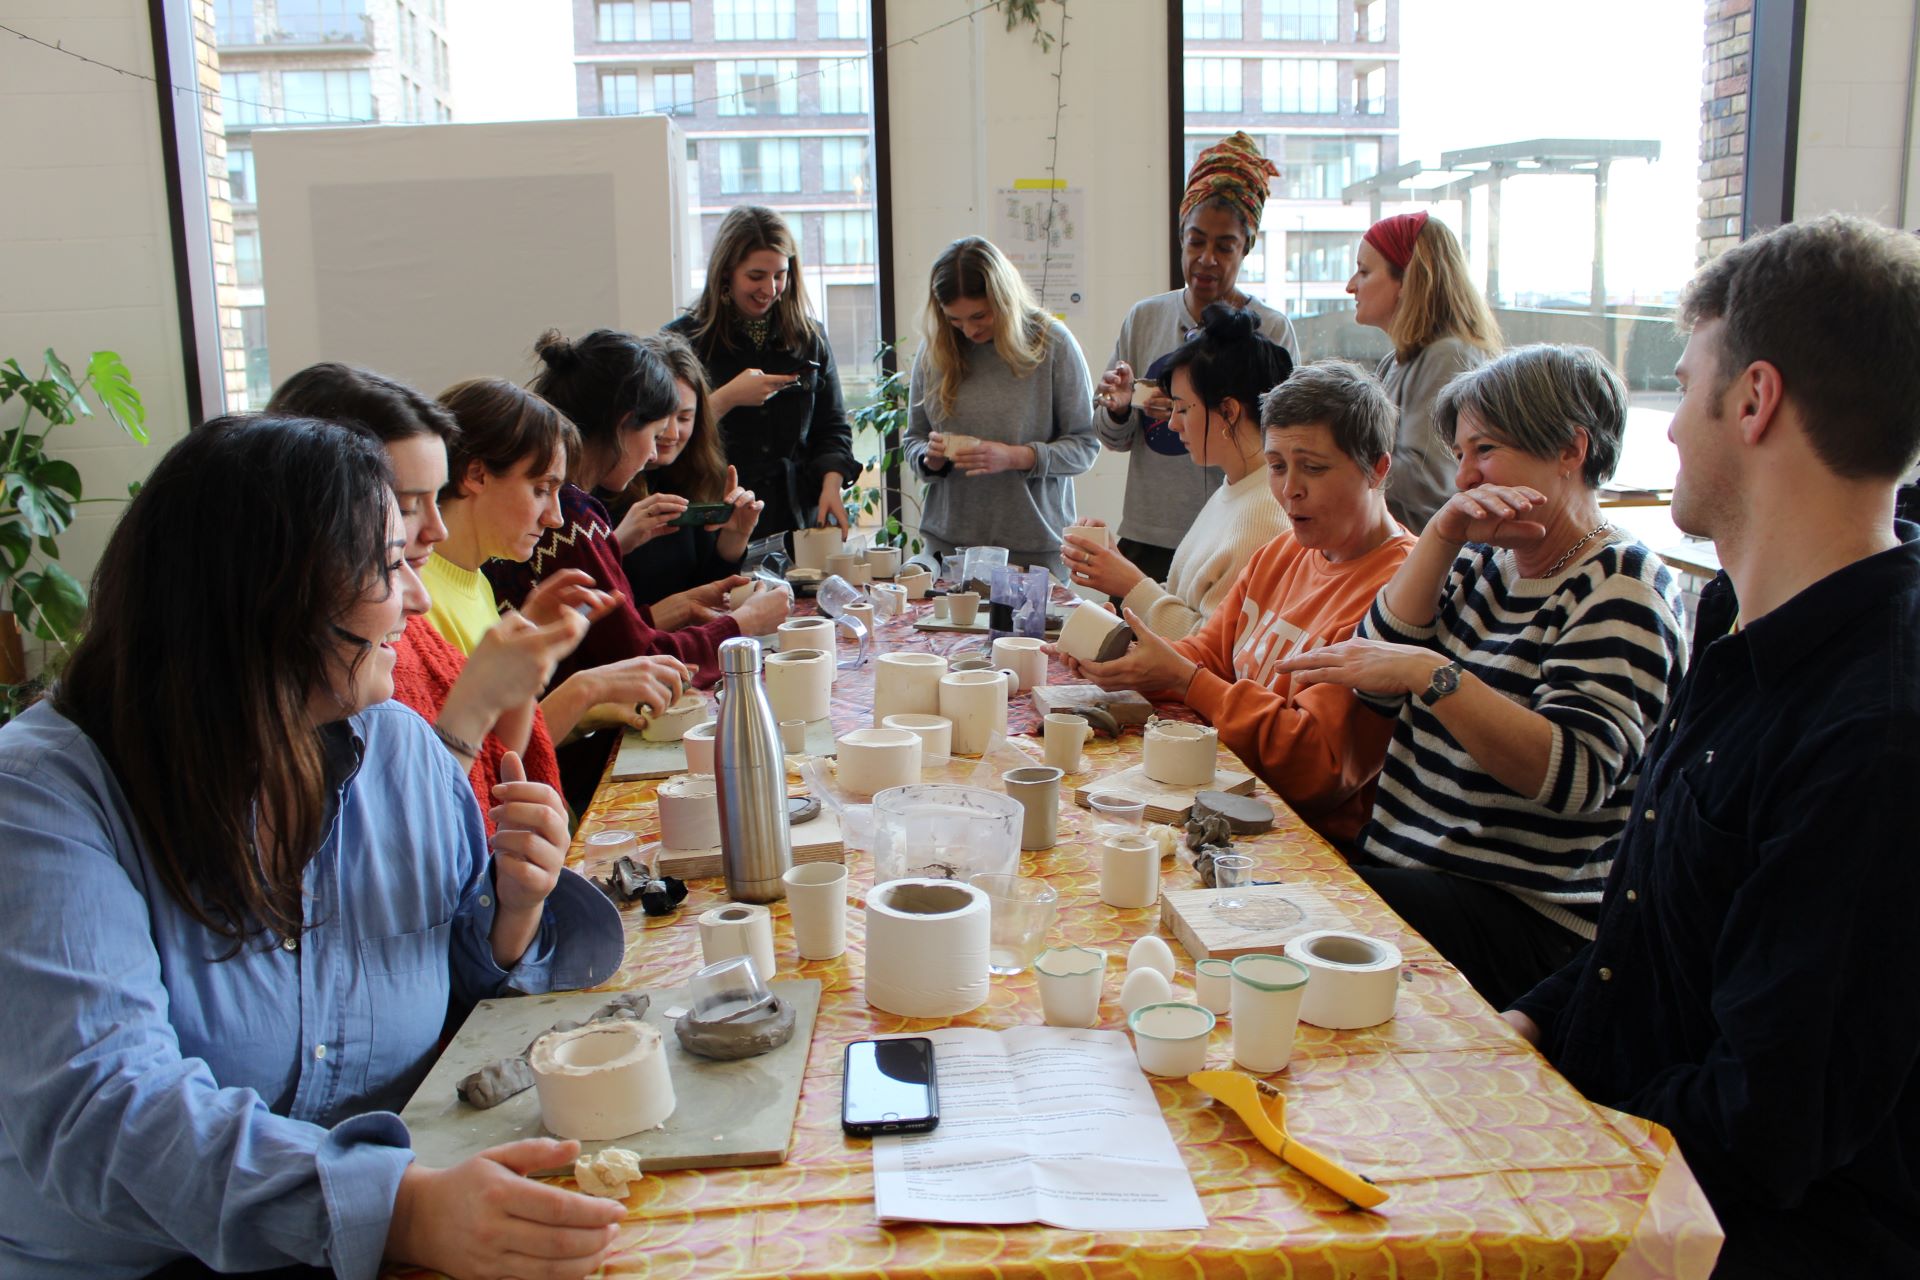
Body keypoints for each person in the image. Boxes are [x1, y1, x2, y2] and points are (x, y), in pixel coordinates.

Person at [0, 416, 628, 1279]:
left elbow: (466, 1001)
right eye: (390, 565)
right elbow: (105, 1109)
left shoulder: (401, 752)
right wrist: (394, 1208)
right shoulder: (41, 798)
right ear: (271, 597)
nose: (416, 598)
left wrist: (513, 913)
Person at [1501, 216, 1920, 1274]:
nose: (1674, 429)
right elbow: (1653, 940)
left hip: (1719, 1234)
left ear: (1754, 399)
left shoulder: (1876, 729)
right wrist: (1523, 1026)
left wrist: (1535, 1120)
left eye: (1685, 389)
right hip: (1629, 1159)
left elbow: (1761, 1123)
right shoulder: (1740, 623)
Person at [1278, 344, 1686, 1009]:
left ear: (1570, 450)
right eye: (1460, 455)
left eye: (1485, 450)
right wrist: (1439, 536)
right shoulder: (1481, 560)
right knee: (1248, 892)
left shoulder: (1622, 588)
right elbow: (1372, 684)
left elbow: (1573, 777)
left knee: (1275, 928)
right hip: (1410, 871)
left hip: (1519, 913)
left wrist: (1434, 675)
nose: (1464, 476)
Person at [269, 365, 688, 830]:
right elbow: (440, 807)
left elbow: (481, 766)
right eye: (407, 505)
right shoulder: (407, 617)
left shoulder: (475, 583)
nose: (436, 528)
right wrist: (580, 690)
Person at [1058, 360, 1415, 848]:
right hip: (1235, 793)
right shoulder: (1288, 549)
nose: (1290, 489)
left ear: (1377, 469)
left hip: (1309, 838)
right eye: (1275, 466)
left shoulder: (1398, 593)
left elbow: (1317, 767)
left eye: (1313, 467)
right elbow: (1208, 652)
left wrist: (1186, 681)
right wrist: (1121, 655)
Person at [487, 328, 788, 693]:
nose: (652, 454)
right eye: (657, 431)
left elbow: (605, 643)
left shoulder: (572, 508)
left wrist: (681, 605)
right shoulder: (572, 517)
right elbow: (638, 660)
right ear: (624, 425)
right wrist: (742, 625)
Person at [1094, 131, 1301, 586]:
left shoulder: (1272, 330)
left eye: (1224, 246)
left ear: (1246, 247)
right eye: (1195, 242)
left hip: (1239, 533)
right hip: (1150, 532)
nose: (1206, 259)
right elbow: (1113, 437)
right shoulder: (1145, 318)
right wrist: (1120, 407)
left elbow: (1285, 437)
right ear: (1181, 238)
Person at [1065, 303, 1292, 639]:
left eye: (1183, 409)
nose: (1172, 424)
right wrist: (1116, 565)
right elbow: (1184, 600)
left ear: (1228, 410)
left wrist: (1130, 583)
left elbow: (1208, 647)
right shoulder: (1235, 487)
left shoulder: (1264, 515)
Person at [902, 235, 1097, 581]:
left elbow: (1085, 446)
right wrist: (929, 459)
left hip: (1034, 548)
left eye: (979, 316)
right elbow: (914, 437)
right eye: (955, 320)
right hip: (949, 547)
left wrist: (1015, 457)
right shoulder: (936, 349)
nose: (969, 329)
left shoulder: (1052, 343)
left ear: (1003, 300)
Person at [665, 205, 858, 542]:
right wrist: (726, 399)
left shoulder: (810, 339)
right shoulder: (681, 342)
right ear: (726, 272)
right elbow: (660, 440)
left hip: (795, 519)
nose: (769, 289)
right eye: (755, 276)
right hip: (714, 522)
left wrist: (832, 484)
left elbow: (832, 427)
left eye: (779, 275)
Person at [1347, 210, 1502, 531]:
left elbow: (1430, 480)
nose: (1351, 286)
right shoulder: (1400, 359)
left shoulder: (1447, 357)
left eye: (1363, 272)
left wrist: (1337, 457)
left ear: (1407, 280)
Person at [610, 331, 765, 616]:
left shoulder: (695, 475)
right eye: (662, 416)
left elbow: (704, 592)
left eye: (684, 418)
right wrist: (617, 544)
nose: (671, 433)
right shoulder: (606, 490)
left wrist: (733, 539)